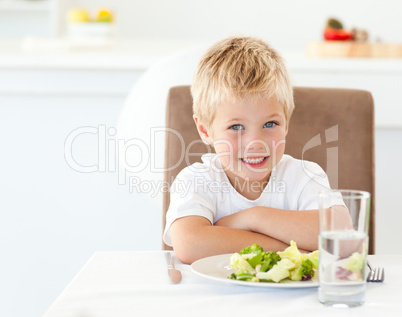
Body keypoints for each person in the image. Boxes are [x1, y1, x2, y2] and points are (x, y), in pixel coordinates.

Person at [163, 36, 333, 264]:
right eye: (236, 127)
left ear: (286, 124)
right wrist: (285, 249)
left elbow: (337, 233)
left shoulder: (304, 175)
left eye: (270, 124)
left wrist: (253, 217)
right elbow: (190, 243)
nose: (255, 143)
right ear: (205, 130)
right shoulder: (196, 180)